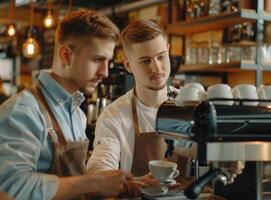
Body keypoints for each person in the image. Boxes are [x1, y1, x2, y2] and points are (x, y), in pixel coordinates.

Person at [0, 10, 133, 200]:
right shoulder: (23, 111)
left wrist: (122, 184)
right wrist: (93, 182)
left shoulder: (77, 114)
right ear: (66, 55)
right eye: (97, 60)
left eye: (108, 62)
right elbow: (9, 187)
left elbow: (70, 182)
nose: (104, 72)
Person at [87, 19, 181, 177]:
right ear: (128, 65)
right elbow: (100, 166)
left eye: (161, 57)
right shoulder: (114, 116)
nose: (156, 68)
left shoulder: (192, 106)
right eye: (145, 61)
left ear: (168, 50)